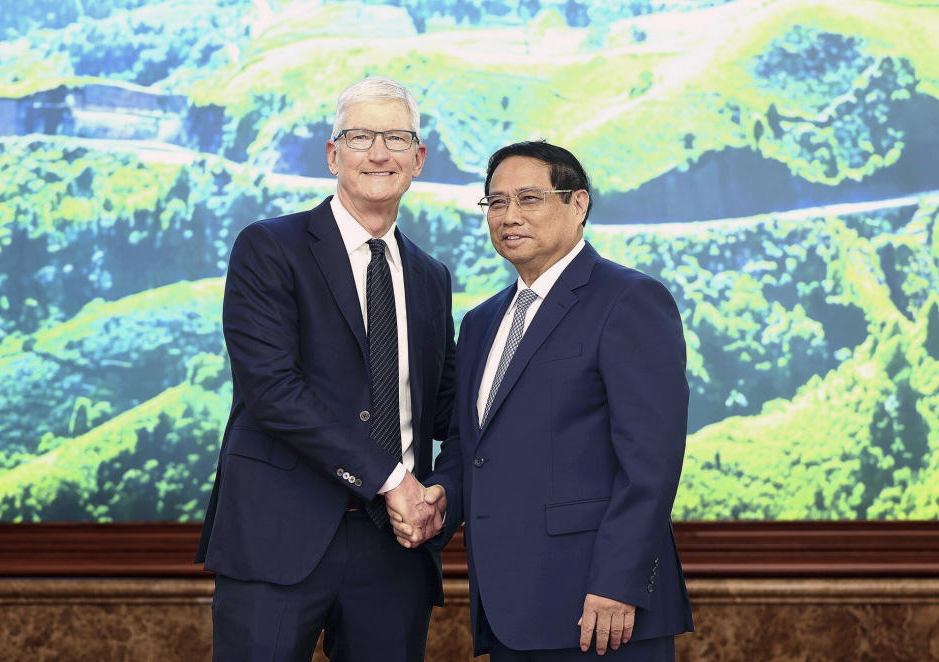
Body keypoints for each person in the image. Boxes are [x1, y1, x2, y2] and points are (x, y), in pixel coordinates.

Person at [395, 141, 693, 660]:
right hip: (509, 611)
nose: (509, 216)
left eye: (529, 198)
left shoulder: (629, 300)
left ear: (578, 204)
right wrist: (443, 493)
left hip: (599, 609)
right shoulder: (482, 322)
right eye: (496, 202)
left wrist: (620, 582)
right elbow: (472, 448)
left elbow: (652, 463)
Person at [195, 76, 455, 662]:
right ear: (333, 153)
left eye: (396, 137)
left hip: (396, 549)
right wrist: (394, 481)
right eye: (361, 136)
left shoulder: (430, 276)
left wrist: (441, 494)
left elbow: (447, 407)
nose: (379, 153)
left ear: (419, 158)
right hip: (279, 537)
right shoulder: (269, 247)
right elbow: (273, 392)